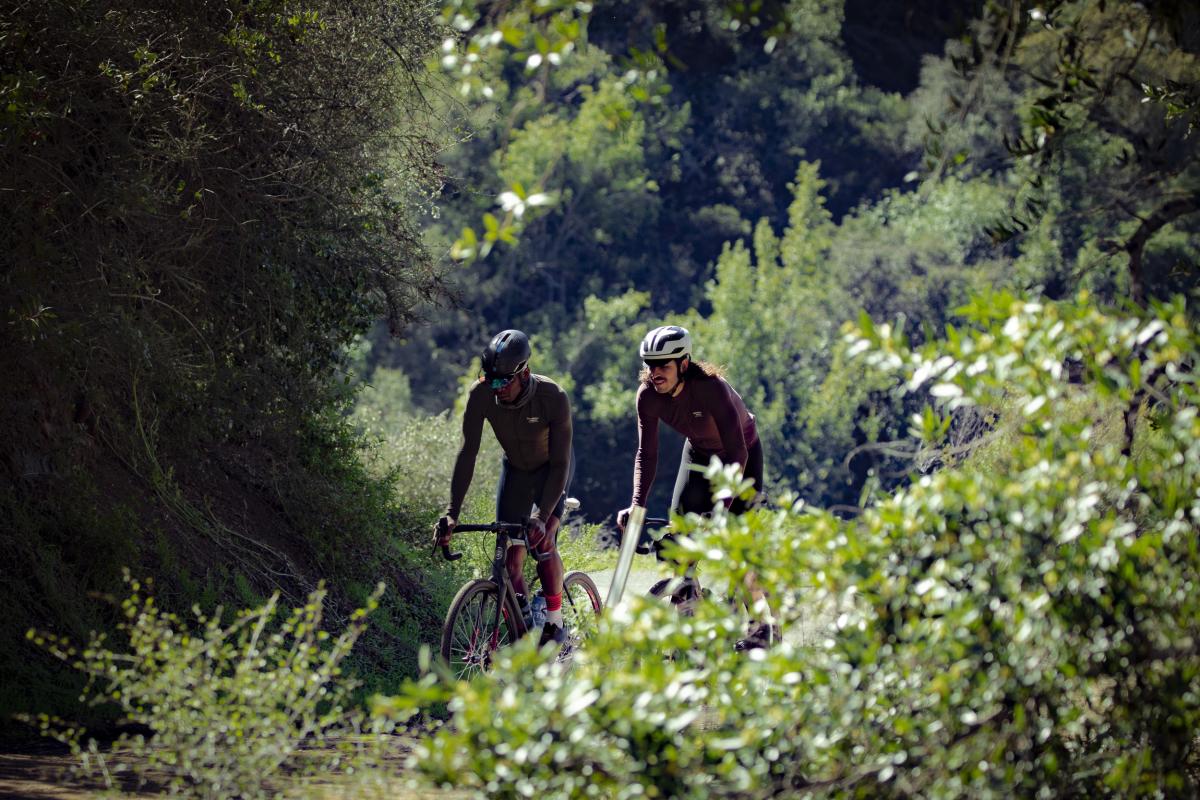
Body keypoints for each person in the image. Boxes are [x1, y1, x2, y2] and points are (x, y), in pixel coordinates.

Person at [616, 324, 775, 649]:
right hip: (700, 454)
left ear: (683, 365)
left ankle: (761, 629)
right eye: (650, 365)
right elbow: (647, 454)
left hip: (741, 456)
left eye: (663, 366)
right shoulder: (647, 396)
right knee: (680, 536)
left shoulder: (710, 389)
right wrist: (637, 505)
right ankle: (688, 614)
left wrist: (720, 512)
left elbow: (737, 452)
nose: (654, 373)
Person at [435, 329, 574, 649]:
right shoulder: (482, 393)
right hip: (515, 473)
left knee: (543, 543)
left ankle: (555, 622)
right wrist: (451, 513)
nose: (496, 389)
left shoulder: (553, 397)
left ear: (524, 373)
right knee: (510, 563)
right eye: (490, 380)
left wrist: (543, 515)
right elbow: (467, 453)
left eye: (503, 381)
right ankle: (523, 628)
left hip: (551, 473)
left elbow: (560, 464)